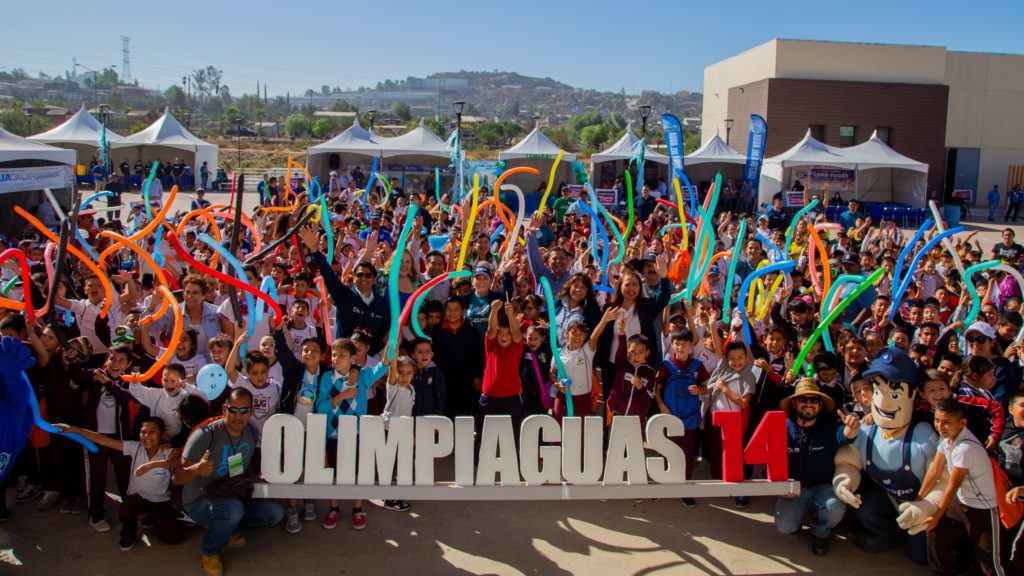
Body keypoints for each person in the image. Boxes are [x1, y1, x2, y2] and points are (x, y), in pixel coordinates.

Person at [174, 388, 285, 576]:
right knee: (233, 510)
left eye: (244, 411)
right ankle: (210, 550)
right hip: (199, 501)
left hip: (229, 495)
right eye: (233, 409)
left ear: (251, 411)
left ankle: (227, 528)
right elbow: (176, 477)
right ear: (225, 409)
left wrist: (255, 478)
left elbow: (241, 468)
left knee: (274, 513)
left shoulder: (249, 433)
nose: (238, 416)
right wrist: (195, 469)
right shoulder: (205, 434)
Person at [56, 417, 183, 551]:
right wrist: (75, 429)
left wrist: (153, 465)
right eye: (143, 431)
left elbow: (179, 462)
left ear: (162, 434)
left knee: (173, 537)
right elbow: (103, 440)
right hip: (138, 498)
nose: (147, 436)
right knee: (125, 511)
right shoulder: (135, 447)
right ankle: (128, 533)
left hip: (160, 501)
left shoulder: (168, 452)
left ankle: (154, 517)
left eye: (153, 431)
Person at [917, 399, 1005, 576]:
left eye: (946, 422)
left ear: (962, 423)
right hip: (960, 503)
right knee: (935, 534)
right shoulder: (947, 438)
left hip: (982, 509)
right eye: (937, 420)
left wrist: (935, 516)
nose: (940, 426)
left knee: (988, 562)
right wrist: (918, 500)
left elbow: (951, 486)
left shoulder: (965, 448)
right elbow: (935, 470)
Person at [774, 379, 860, 556]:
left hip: (823, 486)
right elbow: (771, 460)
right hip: (794, 487)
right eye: (803, 399)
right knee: (785, 526)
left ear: (820, 405)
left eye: (814, 400)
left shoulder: (829, 426)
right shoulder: (782, 426)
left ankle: (821, 532)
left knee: (835, 507)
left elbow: (843, 436)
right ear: (795, 403)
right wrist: (780, 486)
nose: (808, 404)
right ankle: (797, 519)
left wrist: (850, 430)